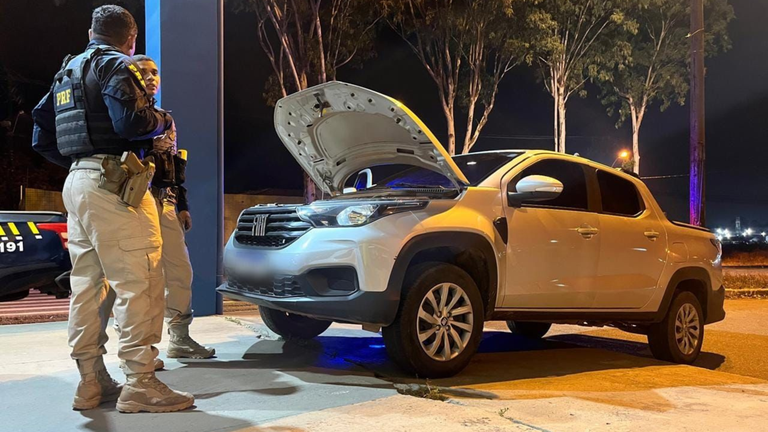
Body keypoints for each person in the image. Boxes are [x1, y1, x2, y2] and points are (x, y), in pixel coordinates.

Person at [31, 5, 194, 413]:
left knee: (88, 286)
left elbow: (41, 134)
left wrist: (83, 161)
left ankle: (91, 381)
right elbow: (131, 123)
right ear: (131, 40)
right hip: (115, 186)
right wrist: (162, 119)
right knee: (141, 281)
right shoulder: (117, 64)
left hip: (77, 182)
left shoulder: (67, 72)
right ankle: (141, 383)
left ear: (91, 33)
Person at [131, 54, 215, 360]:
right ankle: (140, 348)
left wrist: (182, 204)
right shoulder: (122, 114)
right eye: (143, 72)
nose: (151, 77)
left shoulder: (165, 118)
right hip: (134, 201)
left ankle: (179, 337)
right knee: (142, 275)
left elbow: (174, 164)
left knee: (180, 269)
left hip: (165, 200)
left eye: (155, 72)